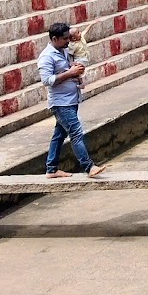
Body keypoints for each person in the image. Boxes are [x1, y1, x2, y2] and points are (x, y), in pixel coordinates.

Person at [38, 22, 105, 179]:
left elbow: (71, 66)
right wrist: (70, 73)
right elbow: (47, 80)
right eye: (65, 39)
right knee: (76, 133)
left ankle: (51, 168)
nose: (68, 41)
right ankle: (89, 167)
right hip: (61, 103)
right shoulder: (47, 57)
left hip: (71, 99)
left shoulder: (64, 50)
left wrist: (76, 73)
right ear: (54, 39)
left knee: (59, 135)